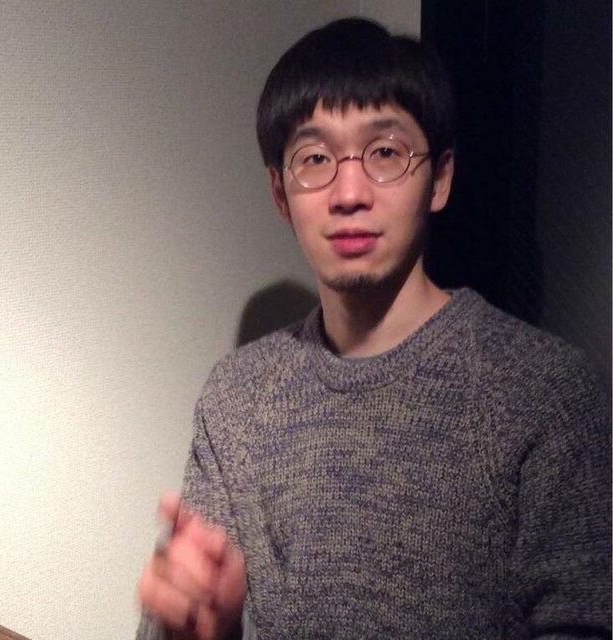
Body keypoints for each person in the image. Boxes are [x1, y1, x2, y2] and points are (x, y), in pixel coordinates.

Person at [136, 18, 611, 640]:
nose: (348, 193)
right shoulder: (237, 398)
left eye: (385, 152)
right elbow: (182, 619)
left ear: (440, 178)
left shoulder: (547, 393)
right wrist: (202, 623)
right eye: (315, 159)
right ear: (280, 195)